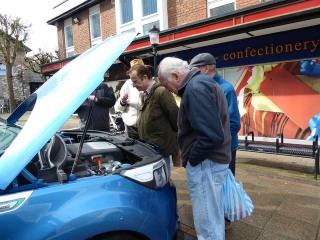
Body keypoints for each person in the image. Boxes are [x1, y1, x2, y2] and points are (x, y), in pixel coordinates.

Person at [158, 56, 231, 239]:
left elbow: (211, 135)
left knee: (207, 223)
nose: (167, 90)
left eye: (166, 85)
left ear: (175, 76)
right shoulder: (202, 84)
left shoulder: (195, 88)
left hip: (206, 164)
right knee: (213, 219)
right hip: (210, 162)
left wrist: (192, 159)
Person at [189, 53, 241, 177]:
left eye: (195, 70)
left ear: (206, 68)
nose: (192, 74)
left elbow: (234, 124)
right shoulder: (201, 87)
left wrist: (211, 138)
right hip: (210, 150)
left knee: (224, 190)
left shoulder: (226, 89)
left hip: (224, 151)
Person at [127, 63, 179, 176]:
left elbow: (175, 116)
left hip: (160, 147)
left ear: (145, 77)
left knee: (163, 179)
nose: (134, 85)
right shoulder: (144, 95)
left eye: (135, 81)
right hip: (150, 147)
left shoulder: (161, 92)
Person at [114, 59, 145, 139]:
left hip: (146, 124)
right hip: (132, 124)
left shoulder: (148, 82)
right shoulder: (127, 84)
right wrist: (122, 101)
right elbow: (119, 108)